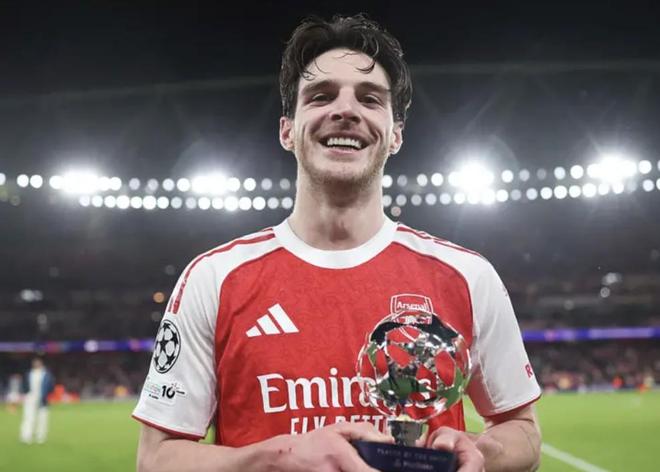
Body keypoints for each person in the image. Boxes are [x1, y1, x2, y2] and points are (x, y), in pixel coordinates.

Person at [133, 14, 542, 471]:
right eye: (321, 96)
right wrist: (278, 458)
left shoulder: (467, 276)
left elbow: (523, 430)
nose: (346, 110)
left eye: (369, 99)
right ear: (287, 130)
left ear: (396, 134)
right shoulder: (214, 279)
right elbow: (156, 459)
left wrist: (481, 451)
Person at [20, 357, 55, 444]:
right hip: (30, 397)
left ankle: (40, 437)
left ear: (41, 364)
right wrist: (26, 394)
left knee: (42, 419)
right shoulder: (28, 374)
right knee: (28, 417)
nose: (36, 364)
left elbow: (51, 386)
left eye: (38, 363)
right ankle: (26, 436)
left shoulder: (47, 375)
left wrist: (46, 394)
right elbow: (24, 385)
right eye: (35, 363)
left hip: (43, 398)